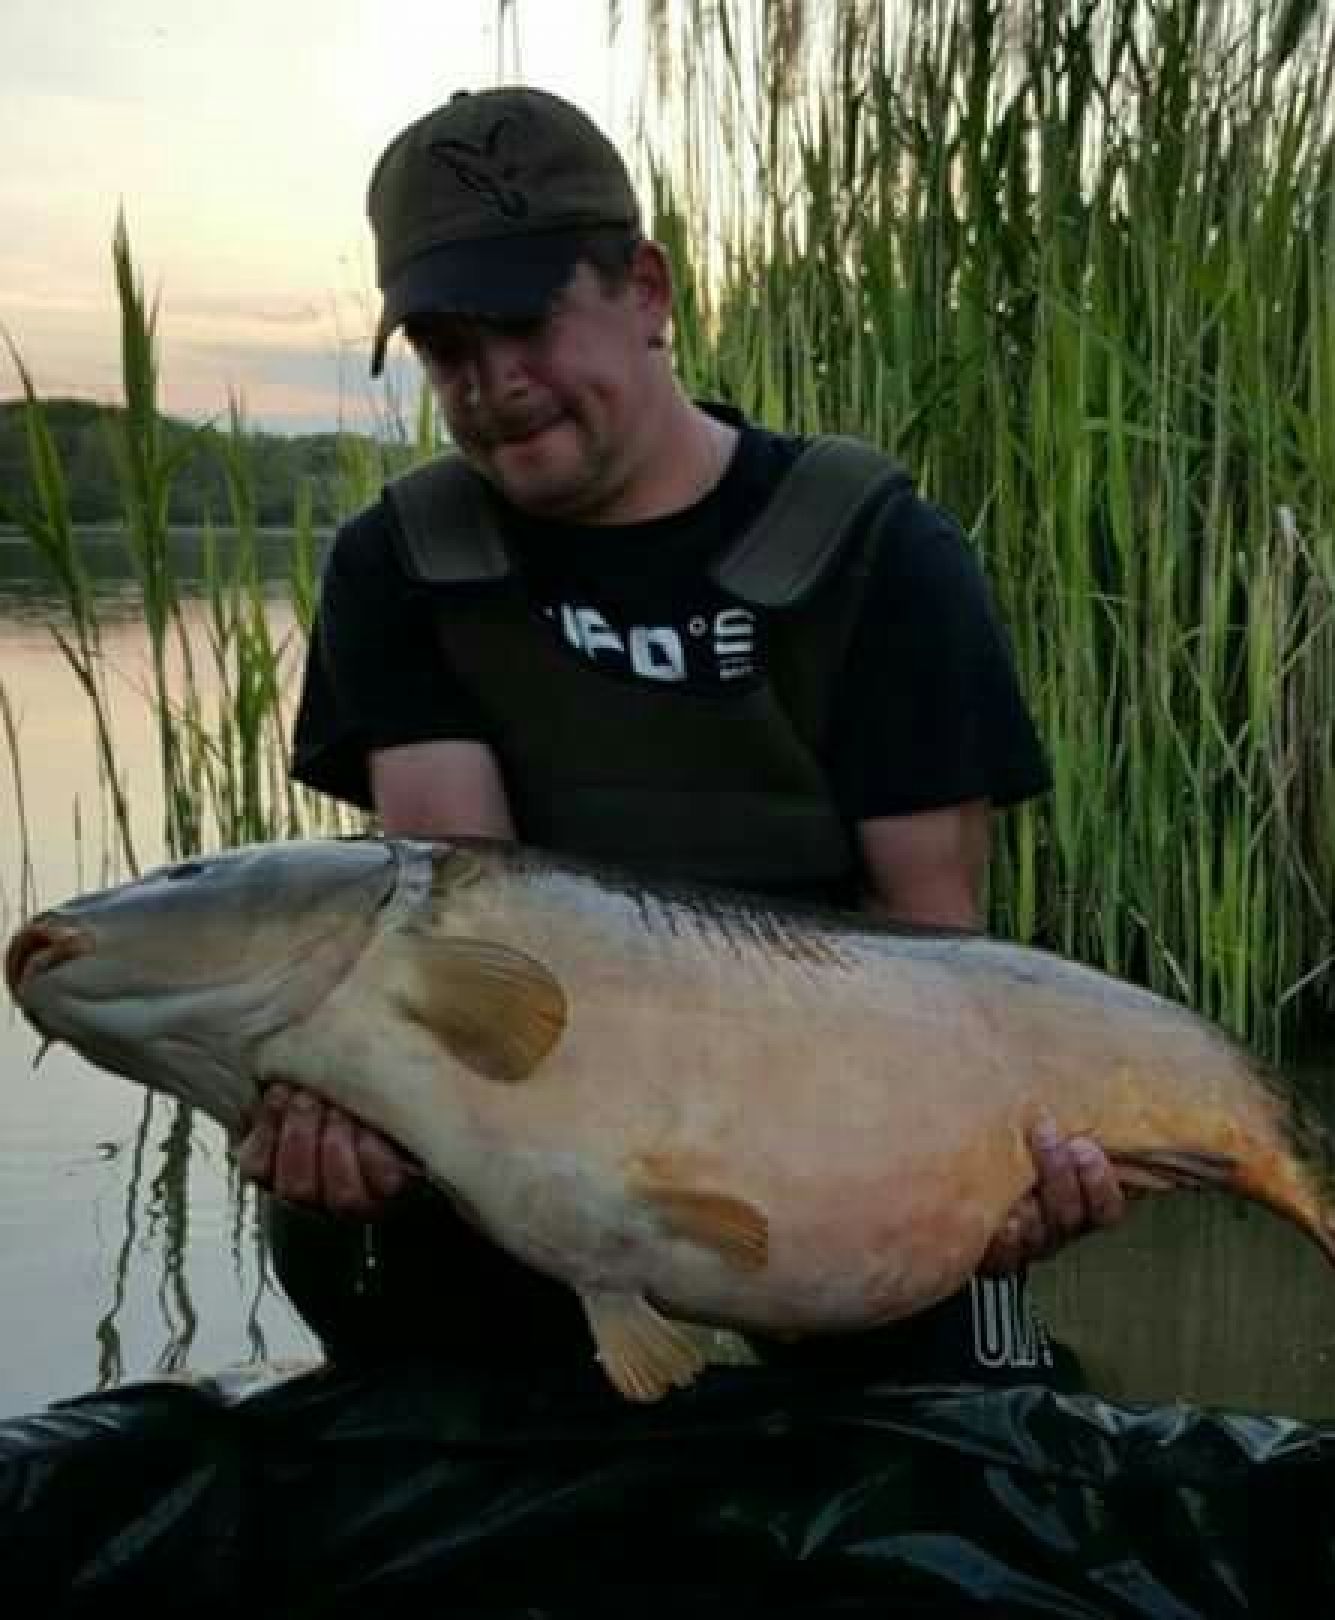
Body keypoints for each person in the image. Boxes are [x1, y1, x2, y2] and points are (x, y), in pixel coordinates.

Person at [236, 84, 1126, 1392]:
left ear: (646, 289)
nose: (494, 384)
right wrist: (345, 1128)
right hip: (541, 1164)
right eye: (445, 345)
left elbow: (951, 977)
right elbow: (461, 952)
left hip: (841, 1147)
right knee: (353, 1244)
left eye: (528, 322)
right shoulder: (405, 565)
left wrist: (999, 1169)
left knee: (966, 1438)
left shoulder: (872, 549)